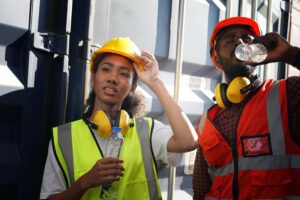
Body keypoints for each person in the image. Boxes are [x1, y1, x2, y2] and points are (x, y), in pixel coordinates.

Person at [40, 37, 198, 200]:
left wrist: (155, 82)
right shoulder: (64, 138)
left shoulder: (147, 131)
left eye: (123, 74)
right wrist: (84, 182)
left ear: (132, 88)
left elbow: (189, 142)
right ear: (93, 78)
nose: (113, 78)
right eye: (106, 69)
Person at [192, 16, 300, 200]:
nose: (240, 42)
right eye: (230, 39)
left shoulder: (288, 95)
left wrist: (290, 54)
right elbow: (201, 192)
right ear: (216, 55)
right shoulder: (207, 122)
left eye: (247, 38)